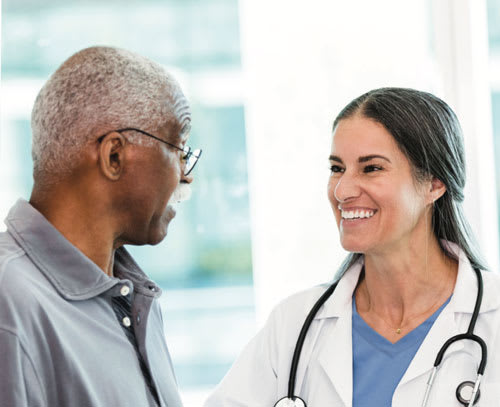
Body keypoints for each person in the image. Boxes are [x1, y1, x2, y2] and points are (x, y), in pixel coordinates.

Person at [204, 87, 500, 406]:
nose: (343, 190)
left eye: (371, 168)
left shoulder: (492, 319)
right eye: (337, 168)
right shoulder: (294, 325)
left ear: (434, 183)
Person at [0, 46, 201, 407]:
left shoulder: (132, 299)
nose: (186, 175)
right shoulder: (9, 306)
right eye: (180, 147)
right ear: (114, 156)